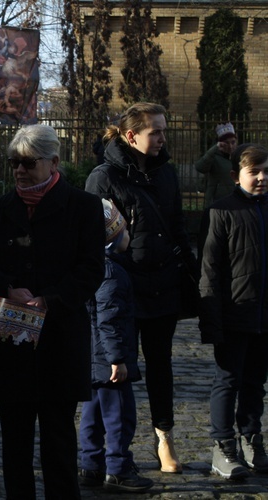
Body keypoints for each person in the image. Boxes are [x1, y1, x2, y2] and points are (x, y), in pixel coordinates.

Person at [0, 124, 106, 499]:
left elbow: (92, 268)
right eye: (14, 162)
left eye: (28, 162)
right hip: (10, 338)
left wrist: (50, 298)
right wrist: (7, 287)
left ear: (53, 162)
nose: (19, 170)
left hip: (60, 338)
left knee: (59, 441)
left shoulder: (84, 206)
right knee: (14, 442)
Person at [85, 102, 196, 474]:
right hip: (123, 289)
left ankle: (164, 437)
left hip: (163, 285)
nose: (163, 139)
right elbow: (95, 240)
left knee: (161, 366)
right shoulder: (104, 178)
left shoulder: (167, 174)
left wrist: (188, 272)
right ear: (132, 136)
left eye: (164, 131)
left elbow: (178, 224)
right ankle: (107, 451)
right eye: (156, 132)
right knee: (116, 369)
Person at [198, 143, 268, 479]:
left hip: (264, 316)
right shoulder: (220, 211)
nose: (261, 178)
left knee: (256, 383)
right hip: (233, 314)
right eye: (254, 171)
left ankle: (252, 438)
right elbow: (209, 271)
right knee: (228, 381)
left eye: (266, 171)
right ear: (234, 175)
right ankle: (223, 447)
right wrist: (212, 320)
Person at [78, 200, 153, 493]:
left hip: (93, 360)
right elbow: (108, 320)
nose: (129, 234)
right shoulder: (111, 272)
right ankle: (118, 467)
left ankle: (90, 464)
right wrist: (117, 359)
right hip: (108, 361)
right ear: (112, 236)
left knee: (92, 414)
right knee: (119, 415)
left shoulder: (92, 267)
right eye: (124, 228)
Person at [195, 122, 238, 208]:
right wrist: (214, 149)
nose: (230, 146)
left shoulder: (239, 156)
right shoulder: (214, 156)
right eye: (226, 143)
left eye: (233, 142)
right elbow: (200, 167)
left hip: (235, 201)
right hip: (217, 202)